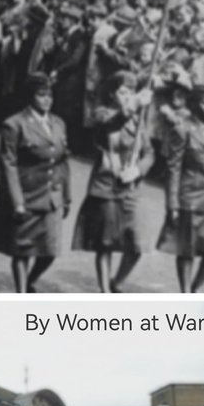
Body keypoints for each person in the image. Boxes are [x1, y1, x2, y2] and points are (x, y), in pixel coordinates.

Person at [0, 71, 71, 293]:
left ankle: (31, 281)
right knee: (22, 250)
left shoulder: (58, 123)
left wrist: (67, 196)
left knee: (50, 251)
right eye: (41, 95)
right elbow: (8, 164)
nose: (47, 100)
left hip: (51, 196)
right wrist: (17, 202)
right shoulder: (15, 124)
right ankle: (21, 294)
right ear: (30, 96)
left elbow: (63, 162)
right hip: (27, 195)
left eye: (50, 95)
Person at [71, 71, 155, 293]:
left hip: (130, 188)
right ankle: (104, 292)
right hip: (106, 186)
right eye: (123, 92)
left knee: (136, 244)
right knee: (105, 243)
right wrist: (135, 103)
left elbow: (149, 153)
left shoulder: (138, 118)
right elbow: (112, 123)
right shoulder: (101, 114)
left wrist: (138, 170)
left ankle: (116, 282)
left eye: (131, 92)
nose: (128, 96)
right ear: (111, 94)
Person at [156, 84, 204, 292]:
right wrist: (172, 204)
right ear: (194, 104)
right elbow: (173, 169)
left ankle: (195, 288)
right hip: (190, 195)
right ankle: (186, 293)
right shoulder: (182, 130)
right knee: (187, 249)